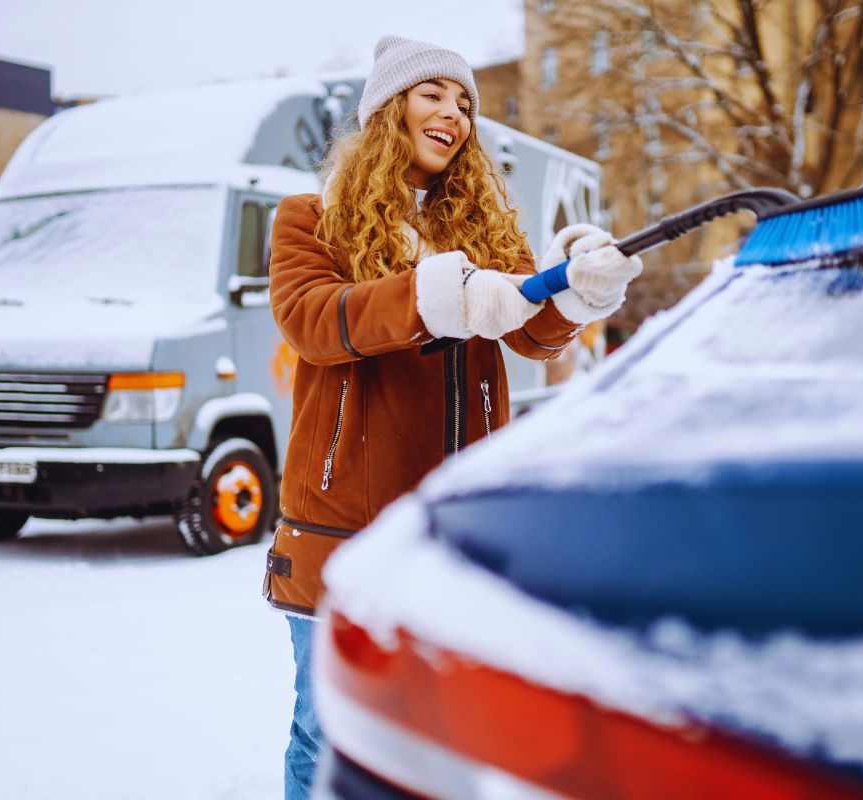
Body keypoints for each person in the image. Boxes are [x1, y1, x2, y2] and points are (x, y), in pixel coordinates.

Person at [261, 35, 642, 798]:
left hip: (451, 525)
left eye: (465, 101)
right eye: (433, 94)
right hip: (342, 528)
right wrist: (435, 297)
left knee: (438, 722)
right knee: (326, 722)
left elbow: (534, 333)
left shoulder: (475, 231)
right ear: (386, 110)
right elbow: (310, 319)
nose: (455, 113)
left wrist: (576, 290)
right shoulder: (312, 219)